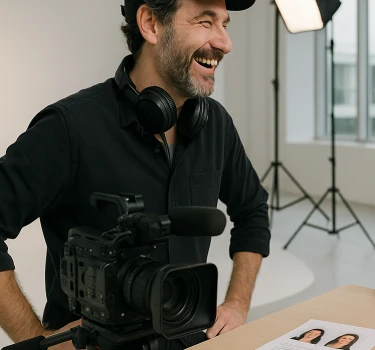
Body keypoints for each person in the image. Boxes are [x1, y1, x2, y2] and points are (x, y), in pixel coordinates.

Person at [0, 0, 270, 349]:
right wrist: (39, 341)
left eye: (225, 24)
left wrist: (237, 304)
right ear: (151, 24)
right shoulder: (69, 128)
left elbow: (252, 210)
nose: (225, 42)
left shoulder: (215, 124)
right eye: (205, 22)